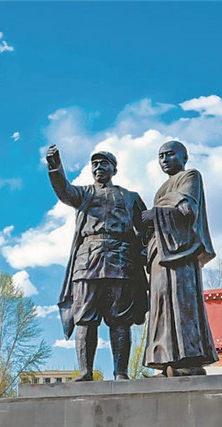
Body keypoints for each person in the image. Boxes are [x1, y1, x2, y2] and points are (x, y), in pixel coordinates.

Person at [46, 145, 148, 381]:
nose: (98, 167)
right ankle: (85, 371)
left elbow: (145, 229)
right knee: (84, 317)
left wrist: (144, 251)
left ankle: (120, 373)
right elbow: (64, 190)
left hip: (121, 261)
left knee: (120, 318)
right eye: (94, 164)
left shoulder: (130, 197)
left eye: (103, 163)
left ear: (114, 169)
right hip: (87, 261)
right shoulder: (84, 193)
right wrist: (55, 166)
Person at [142, 140, 218, 376]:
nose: (165, 160)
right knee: (161, 304)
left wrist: (155, 214)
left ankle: (189, 360)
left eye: (170, 154)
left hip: (181, 251)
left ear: (184, 157)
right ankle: (166, 361)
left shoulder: (190, 176)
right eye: (161, 156)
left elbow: (187, 209)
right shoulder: (160, 190)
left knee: (182, 303)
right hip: (159, 252)